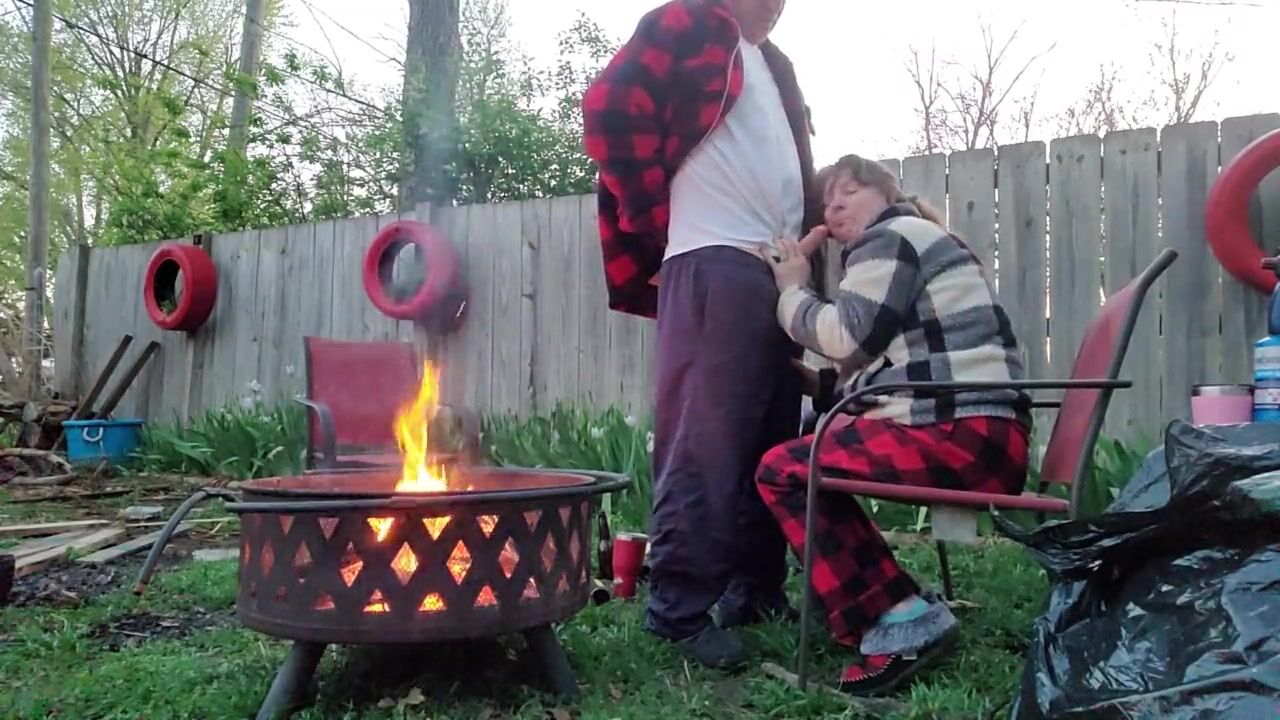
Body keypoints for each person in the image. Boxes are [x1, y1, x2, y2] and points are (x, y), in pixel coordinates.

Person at [581, 0, 822, 669]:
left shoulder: (775, 65)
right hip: (714, 257)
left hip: (777, 275)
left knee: (771, 439)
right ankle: (679, 612)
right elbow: (610, 108)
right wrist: (652, 218)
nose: (775, 4)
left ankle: (755, 590)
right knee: (704, 445)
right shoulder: (687, 25)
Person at [753, 154, 1033, 695]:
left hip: (958, 431)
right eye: (827, 202)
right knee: (811, 447)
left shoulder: (890, 236)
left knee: (783, 470)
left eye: (849, 192)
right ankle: (874, 601)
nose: (835, 208)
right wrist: (824, 388)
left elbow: (847, 338)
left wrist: (791, 287)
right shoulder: (919, 240)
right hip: (982, 432)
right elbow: (896, 363)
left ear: (886, 193)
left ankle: (900, 617)